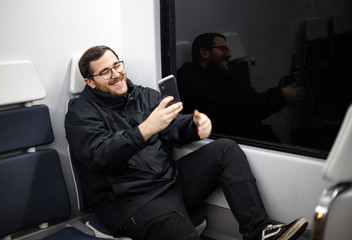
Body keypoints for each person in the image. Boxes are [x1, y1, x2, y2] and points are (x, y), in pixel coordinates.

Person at [65, 45, 308, 240]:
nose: (116, 74)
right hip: (132, 203)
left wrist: (195, 126)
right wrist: (144, 130)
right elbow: (100, 155)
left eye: (117, 65)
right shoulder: (80, 114)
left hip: (170, 182)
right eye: (105, 71)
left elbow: (173, 126)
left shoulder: (144, 95)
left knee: (226, 149)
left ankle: (259, 231)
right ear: (90, 82)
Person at [177, 33, 306, 142]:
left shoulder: (223, 75)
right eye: (223, 49)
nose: (229, 54)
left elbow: (252, 100)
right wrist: (278, 97)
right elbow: (231, 111)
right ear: (204, 52)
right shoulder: (190, 80)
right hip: (230, 144)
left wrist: (280, 91)